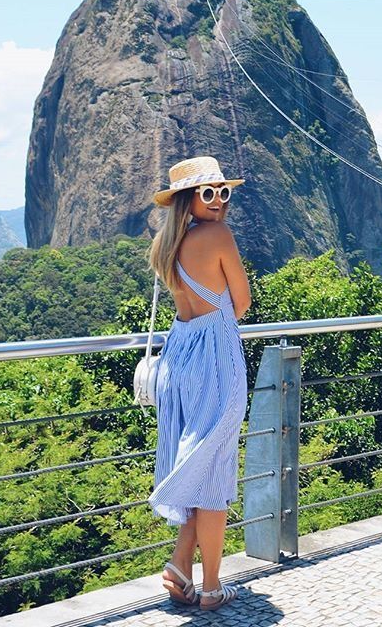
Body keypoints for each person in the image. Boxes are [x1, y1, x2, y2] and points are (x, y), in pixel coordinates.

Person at [146, 155, 251, 612]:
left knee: (201, 460)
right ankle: (211, 588)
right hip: (214, 358)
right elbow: (241, 302)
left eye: (223, 192)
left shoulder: (169, 245)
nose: (219, 201)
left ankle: (180, 564)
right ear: (190, 199)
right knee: (215, 468)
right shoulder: (218, 236)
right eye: (209, 193)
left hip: (179, 355)